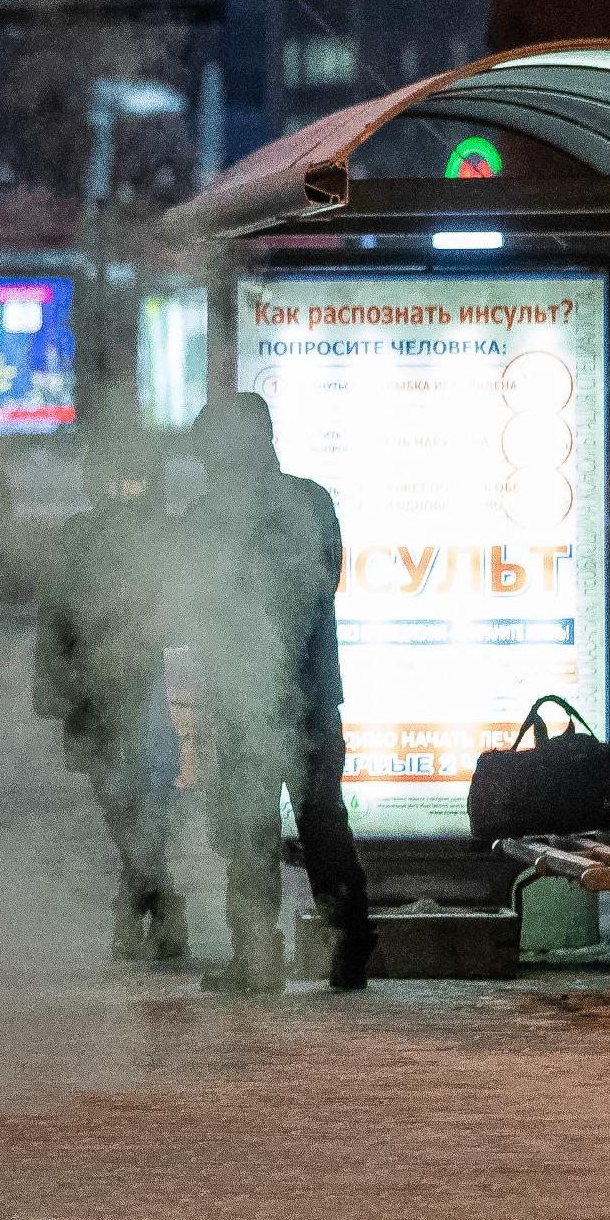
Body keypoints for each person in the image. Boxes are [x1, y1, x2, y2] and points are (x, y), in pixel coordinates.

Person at [181, 392, 375, 992]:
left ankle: (257, 957)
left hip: (246, 698)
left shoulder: (209, 515)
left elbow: (189, 602)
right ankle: (349, 946)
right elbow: (327, 582)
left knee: (248, 826)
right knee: (323, 821)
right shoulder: (311, 501)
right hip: (314, 692)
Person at [35, 438, 190, 963]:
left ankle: (147, 909)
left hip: (134, 687)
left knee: (139, 800)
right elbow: (54, 618)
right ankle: (155, 904)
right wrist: (53, 685)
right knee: (125, 805)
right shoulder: (79, 535)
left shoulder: (151, 537)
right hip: (93, 692)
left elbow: (174, 610)